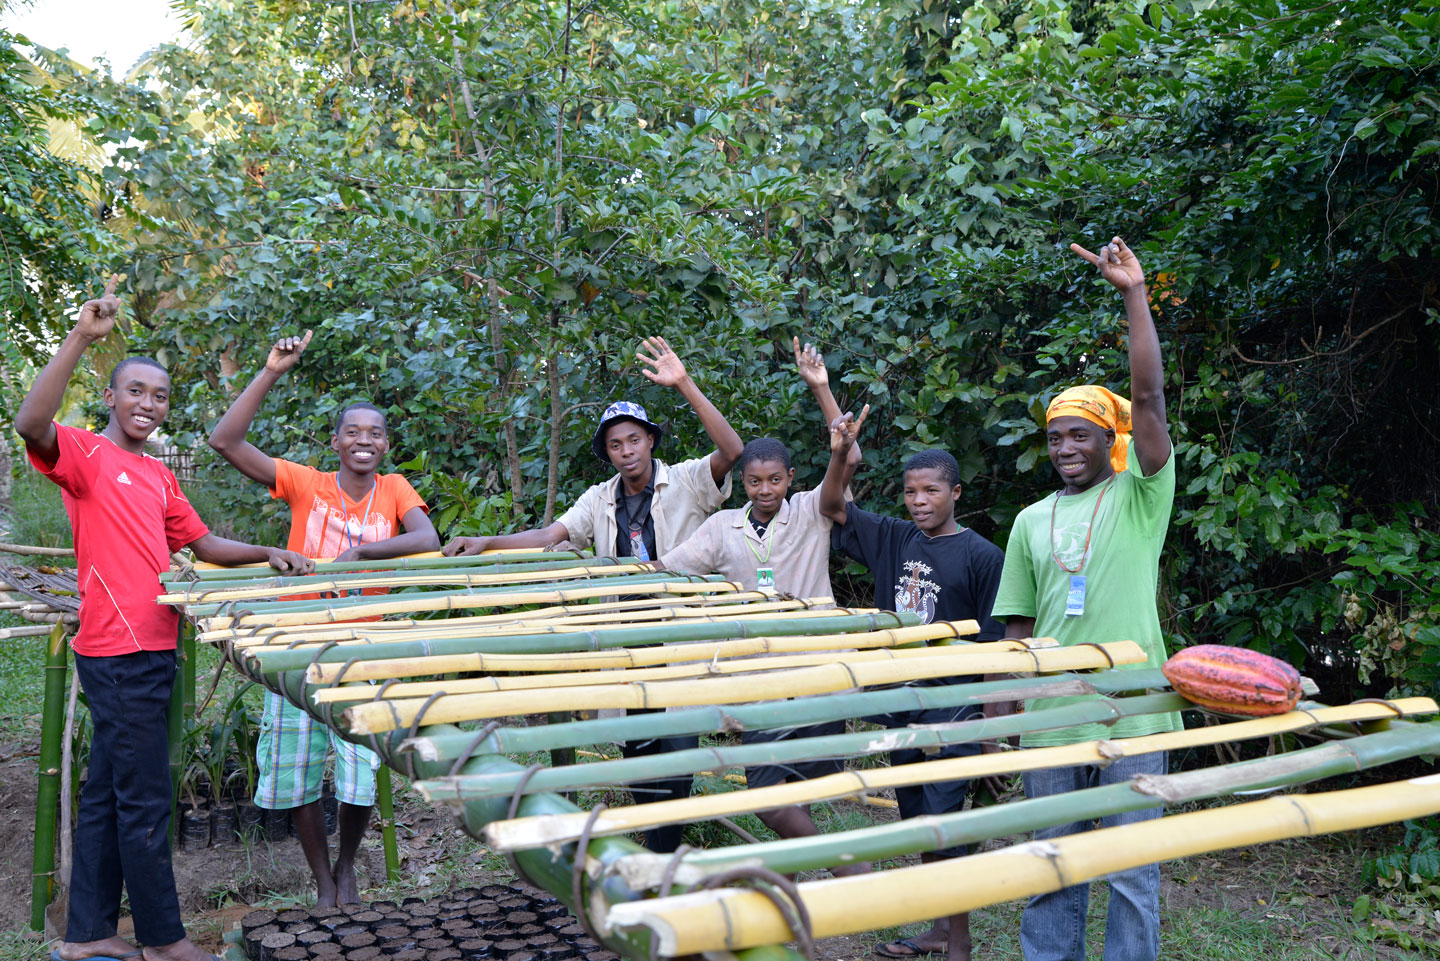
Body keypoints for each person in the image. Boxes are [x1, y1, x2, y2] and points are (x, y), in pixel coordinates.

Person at [15, 276, 313, 961]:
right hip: (115, 650)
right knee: (147, 798)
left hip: (153, 644)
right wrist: (82, 336)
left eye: (160, 395)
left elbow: (204, 545)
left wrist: (269, 550)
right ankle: (162, 938)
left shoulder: (159, 476)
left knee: (109, 794)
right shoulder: (87, 456)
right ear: (111, 397)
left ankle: (87, 932)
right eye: (136, 391)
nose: (148, 403)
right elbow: (32, 424)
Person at [443, 334, 743, 851]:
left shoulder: (689, 482)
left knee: (676, 746)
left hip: (681, 637)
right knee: (635, 749)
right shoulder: (599, 498)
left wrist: (684, 383)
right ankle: (657, 846)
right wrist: (487, 541)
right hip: (628, 641)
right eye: (615, 444)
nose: (626, 451)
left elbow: (733, 451)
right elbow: (548, 536)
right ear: (606, 453)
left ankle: (666, 849)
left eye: (634, 440)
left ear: (651, 440)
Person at [988, 236, 1181, 961]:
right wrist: (1001, 710)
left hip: (1134, 706)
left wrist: (1133, 294)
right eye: (1055, 436)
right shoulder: (1030, 520)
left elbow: (1152, 397)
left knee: (1132, 870)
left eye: (1080, 434)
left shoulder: (1142, 494)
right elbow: (1014, 627)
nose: (1065, 446)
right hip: (1051, 713)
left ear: (1111, 438)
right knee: (1051, 867)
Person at [207, 331, 439, 906]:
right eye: (353, 432)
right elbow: (225, 440)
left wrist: (360, 554)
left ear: (386, 446)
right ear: (336, 442)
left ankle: (348, 863)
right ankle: (320, 877)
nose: (365, 440)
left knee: (362, 765)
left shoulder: (393, 489)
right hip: (297, 642)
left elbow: (426, 537)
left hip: (364, 645)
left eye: (375, 433)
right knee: (295, 765)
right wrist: (270, 372)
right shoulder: (306, 484)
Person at [654, 339, 865, 871]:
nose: (765, 490)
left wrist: (822, 389)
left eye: (774, 480)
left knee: (786, 786)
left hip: (814, 670)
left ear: (790, 480)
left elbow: (848, 457)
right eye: (754, 482)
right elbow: (669, 568)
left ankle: (839, 871)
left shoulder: (812, 511)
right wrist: (604, 569)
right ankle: (842, 871)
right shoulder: (723, 526)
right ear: (742, 483)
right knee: (770, 790)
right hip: (759, 679)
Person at [821, 417, 1005, 961]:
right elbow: (833, 504)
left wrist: (994, 727)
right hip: (901, 702)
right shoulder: (895, 537)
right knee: (918, 818)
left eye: (930, 491)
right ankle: (939, 927)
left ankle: (961, 939)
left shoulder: (982, 556)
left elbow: (997, 645)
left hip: (956, 710)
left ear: (956, 492)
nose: (919, 501)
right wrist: (841, 448)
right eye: (910, 491)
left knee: (948, 822)